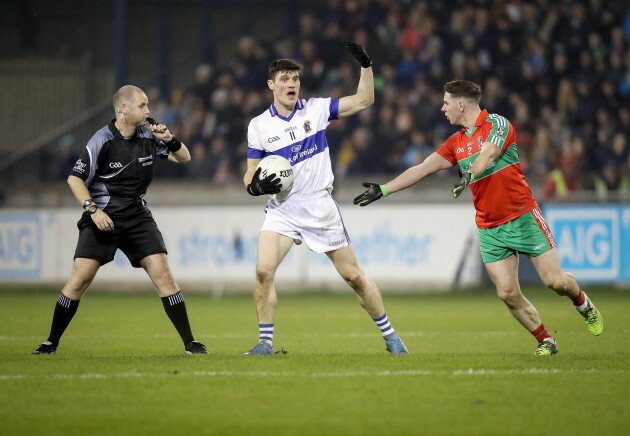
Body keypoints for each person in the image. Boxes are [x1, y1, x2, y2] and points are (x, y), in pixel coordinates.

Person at [353, 80, 604, 356]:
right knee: (507, 293)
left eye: (446, 102)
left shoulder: (498, 124)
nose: (442, 108)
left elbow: (489, 153)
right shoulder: (455, 142)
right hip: (489, 227)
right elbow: (424, 168)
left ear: (461, 105)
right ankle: (545, 339)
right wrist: (385, 189)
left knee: (555, 282)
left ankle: (582, 303)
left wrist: (470, 173)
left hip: (523, 217)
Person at [242, 43, 408, 355]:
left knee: (354, 277)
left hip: (319, 205)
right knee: (263, 271)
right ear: (271, 85)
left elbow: (364, 100)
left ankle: (392, 338)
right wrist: (253, 187)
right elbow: (250, 173)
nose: (291, 84)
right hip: (282, 209)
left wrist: (366, 65)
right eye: (285, 79)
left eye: (295, 79)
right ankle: (265, 343)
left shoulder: (316, 110)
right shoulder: (259, 126)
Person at [32, 85, 209, 355]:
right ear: (123, 109)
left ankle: (190, 343)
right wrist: (94, 210)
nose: (148, 111)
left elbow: (184, 157)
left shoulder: (149, 136)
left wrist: (170, 138)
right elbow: (74, 178)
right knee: (80, 279)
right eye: (142, 105)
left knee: (164, 276)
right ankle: (50, 342)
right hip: (103, 217)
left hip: (137, 217)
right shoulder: (102, 140)